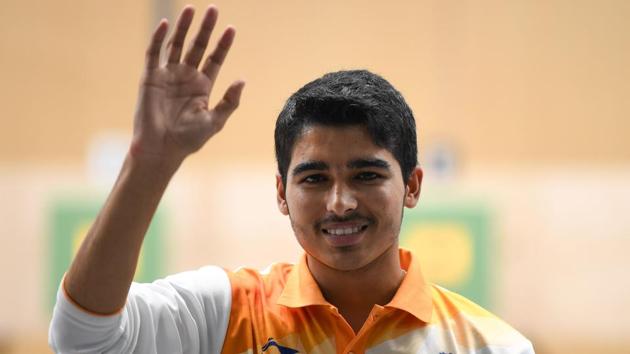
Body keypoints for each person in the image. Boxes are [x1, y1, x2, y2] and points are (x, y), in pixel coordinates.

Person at [49, 5, 535, 354]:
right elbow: (81, 337)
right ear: (281, 193)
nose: (340, 202)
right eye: (314, 178)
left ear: (412, 185)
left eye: (366, 175)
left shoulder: (491, 344)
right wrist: (149, 162)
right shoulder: (225, 314)